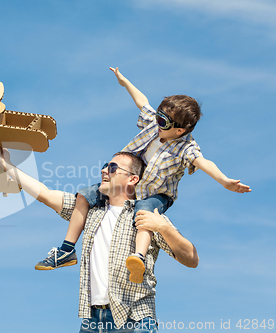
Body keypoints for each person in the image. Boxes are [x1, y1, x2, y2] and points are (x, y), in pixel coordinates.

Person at [36, 67, 251, 284]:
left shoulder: (186, 148)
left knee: (144, 212)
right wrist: (124, 81)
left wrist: (224, 181)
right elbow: (141, 101)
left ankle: (138, 258)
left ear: (180, 131)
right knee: (84, 195)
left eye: (163, 122)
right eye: (159, 116)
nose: (158, 123)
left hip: (157, 194)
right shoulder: (153, 124)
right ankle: (66, 249)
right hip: (131, 183)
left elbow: (203, 163)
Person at [0, 142, 199, 332]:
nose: (105, 170)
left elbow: (191, 259)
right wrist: (4, 163)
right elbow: (45, 194)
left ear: (132, 179)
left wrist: (164, 227)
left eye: (113, 168)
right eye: (105, 166)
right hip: (92, 321)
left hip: (135, 319)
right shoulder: (90, 211)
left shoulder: (146, 214)